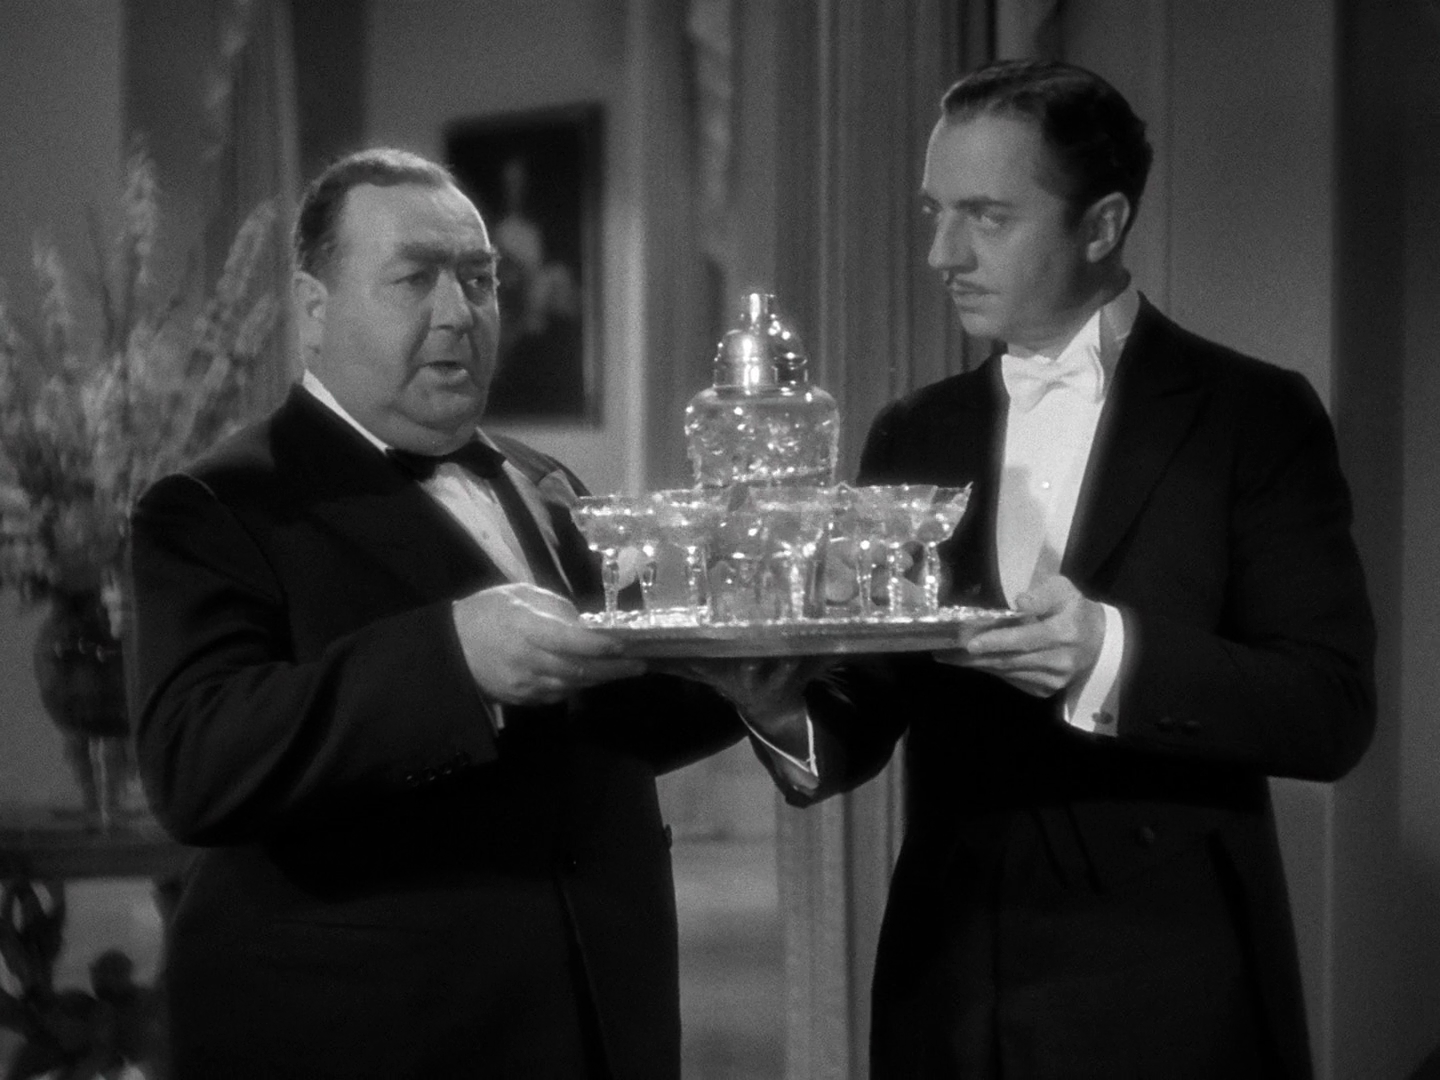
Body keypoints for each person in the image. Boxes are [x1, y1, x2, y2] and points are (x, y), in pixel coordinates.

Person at [732, 60, 1376, 1078]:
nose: (943, 253)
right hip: (950, 982)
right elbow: (868, 703)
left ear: (1103, 222)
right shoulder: (916, 431)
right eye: (936, 212)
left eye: (986, 217)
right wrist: (777, 707)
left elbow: (1329, 710)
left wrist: (1106, 656)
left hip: (1171, 986)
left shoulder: (1253, 416)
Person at [126, 147, 747, 1079]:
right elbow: (195, 764)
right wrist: (452, 661)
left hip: (602, 1027)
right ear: (314, 309)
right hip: (374, 1038)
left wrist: (753, 663)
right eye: (415, 278)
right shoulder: (217, 505)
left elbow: (600, 722)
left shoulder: (546, 482)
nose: (460, 313)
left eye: (480, 279)